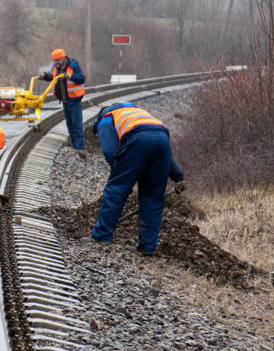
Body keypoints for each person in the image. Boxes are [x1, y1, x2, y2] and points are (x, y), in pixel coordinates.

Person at [90, 102, 185, 255]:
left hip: (137, 140)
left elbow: (109, 151)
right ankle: (148, 247)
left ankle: (102, 235)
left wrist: (120, 174)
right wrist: (178, 176)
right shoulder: (139, 113)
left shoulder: (107, 118)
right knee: (153, 197)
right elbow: (166, 152)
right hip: (161, 139)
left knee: (116, 190)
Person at [41, 48, 87, 155]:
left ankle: (80, 146)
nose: (56, 62)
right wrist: (45, 76)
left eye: (57, 60)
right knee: (69, 123)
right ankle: (74, 143)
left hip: (74, 99)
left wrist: (71, 76)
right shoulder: (56, 66)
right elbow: (52, 76)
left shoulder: (73, 65)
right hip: (64, 99)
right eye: (54, 60)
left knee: (76, 123)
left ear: (63, 58)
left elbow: (82, 78)